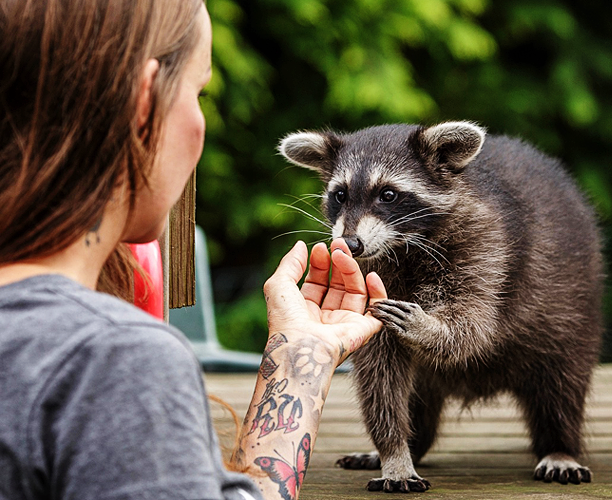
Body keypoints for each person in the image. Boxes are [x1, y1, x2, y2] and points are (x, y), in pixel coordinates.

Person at [0, 1, 387, 499]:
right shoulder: (109, 362)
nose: (200, 123)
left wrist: (299, 358)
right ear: (145, 102)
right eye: (198, 91)